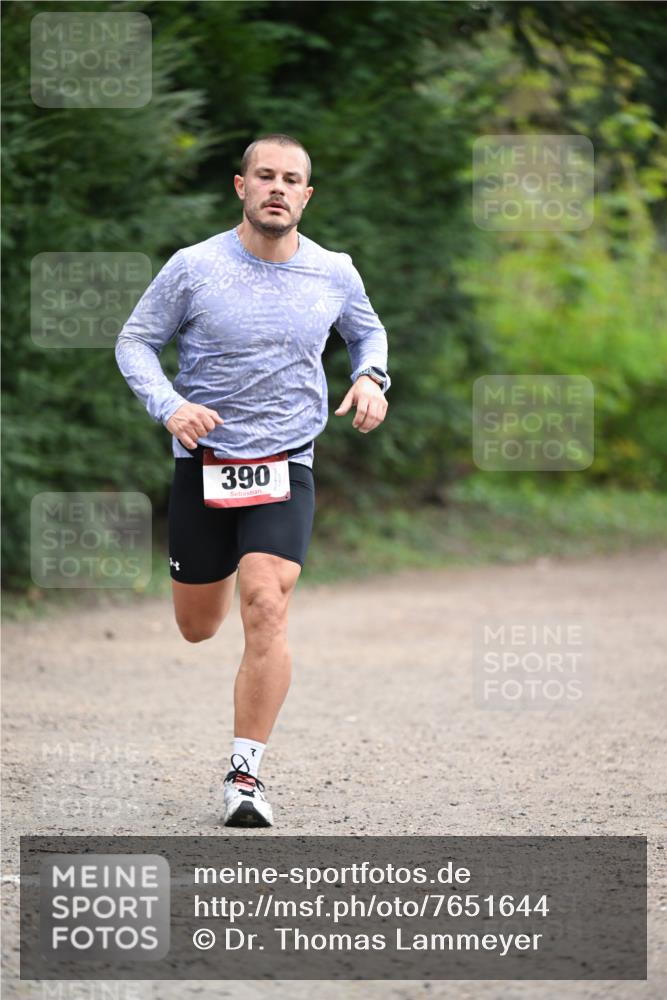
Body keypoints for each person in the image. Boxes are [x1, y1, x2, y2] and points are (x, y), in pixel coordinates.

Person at [115, 133, 390, 827]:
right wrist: (171, 405)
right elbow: (135, 340)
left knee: (265, 600)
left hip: (286, 460)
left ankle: (245, 776)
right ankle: (200, 598)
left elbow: (367, 333)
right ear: (240, 186)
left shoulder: (334, 271)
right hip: (203, 466)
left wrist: (370, 378)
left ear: (306, 195)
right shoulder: (193, 267)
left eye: (290, 179)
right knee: (197, 626)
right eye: (263, 175)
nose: (276, 187)